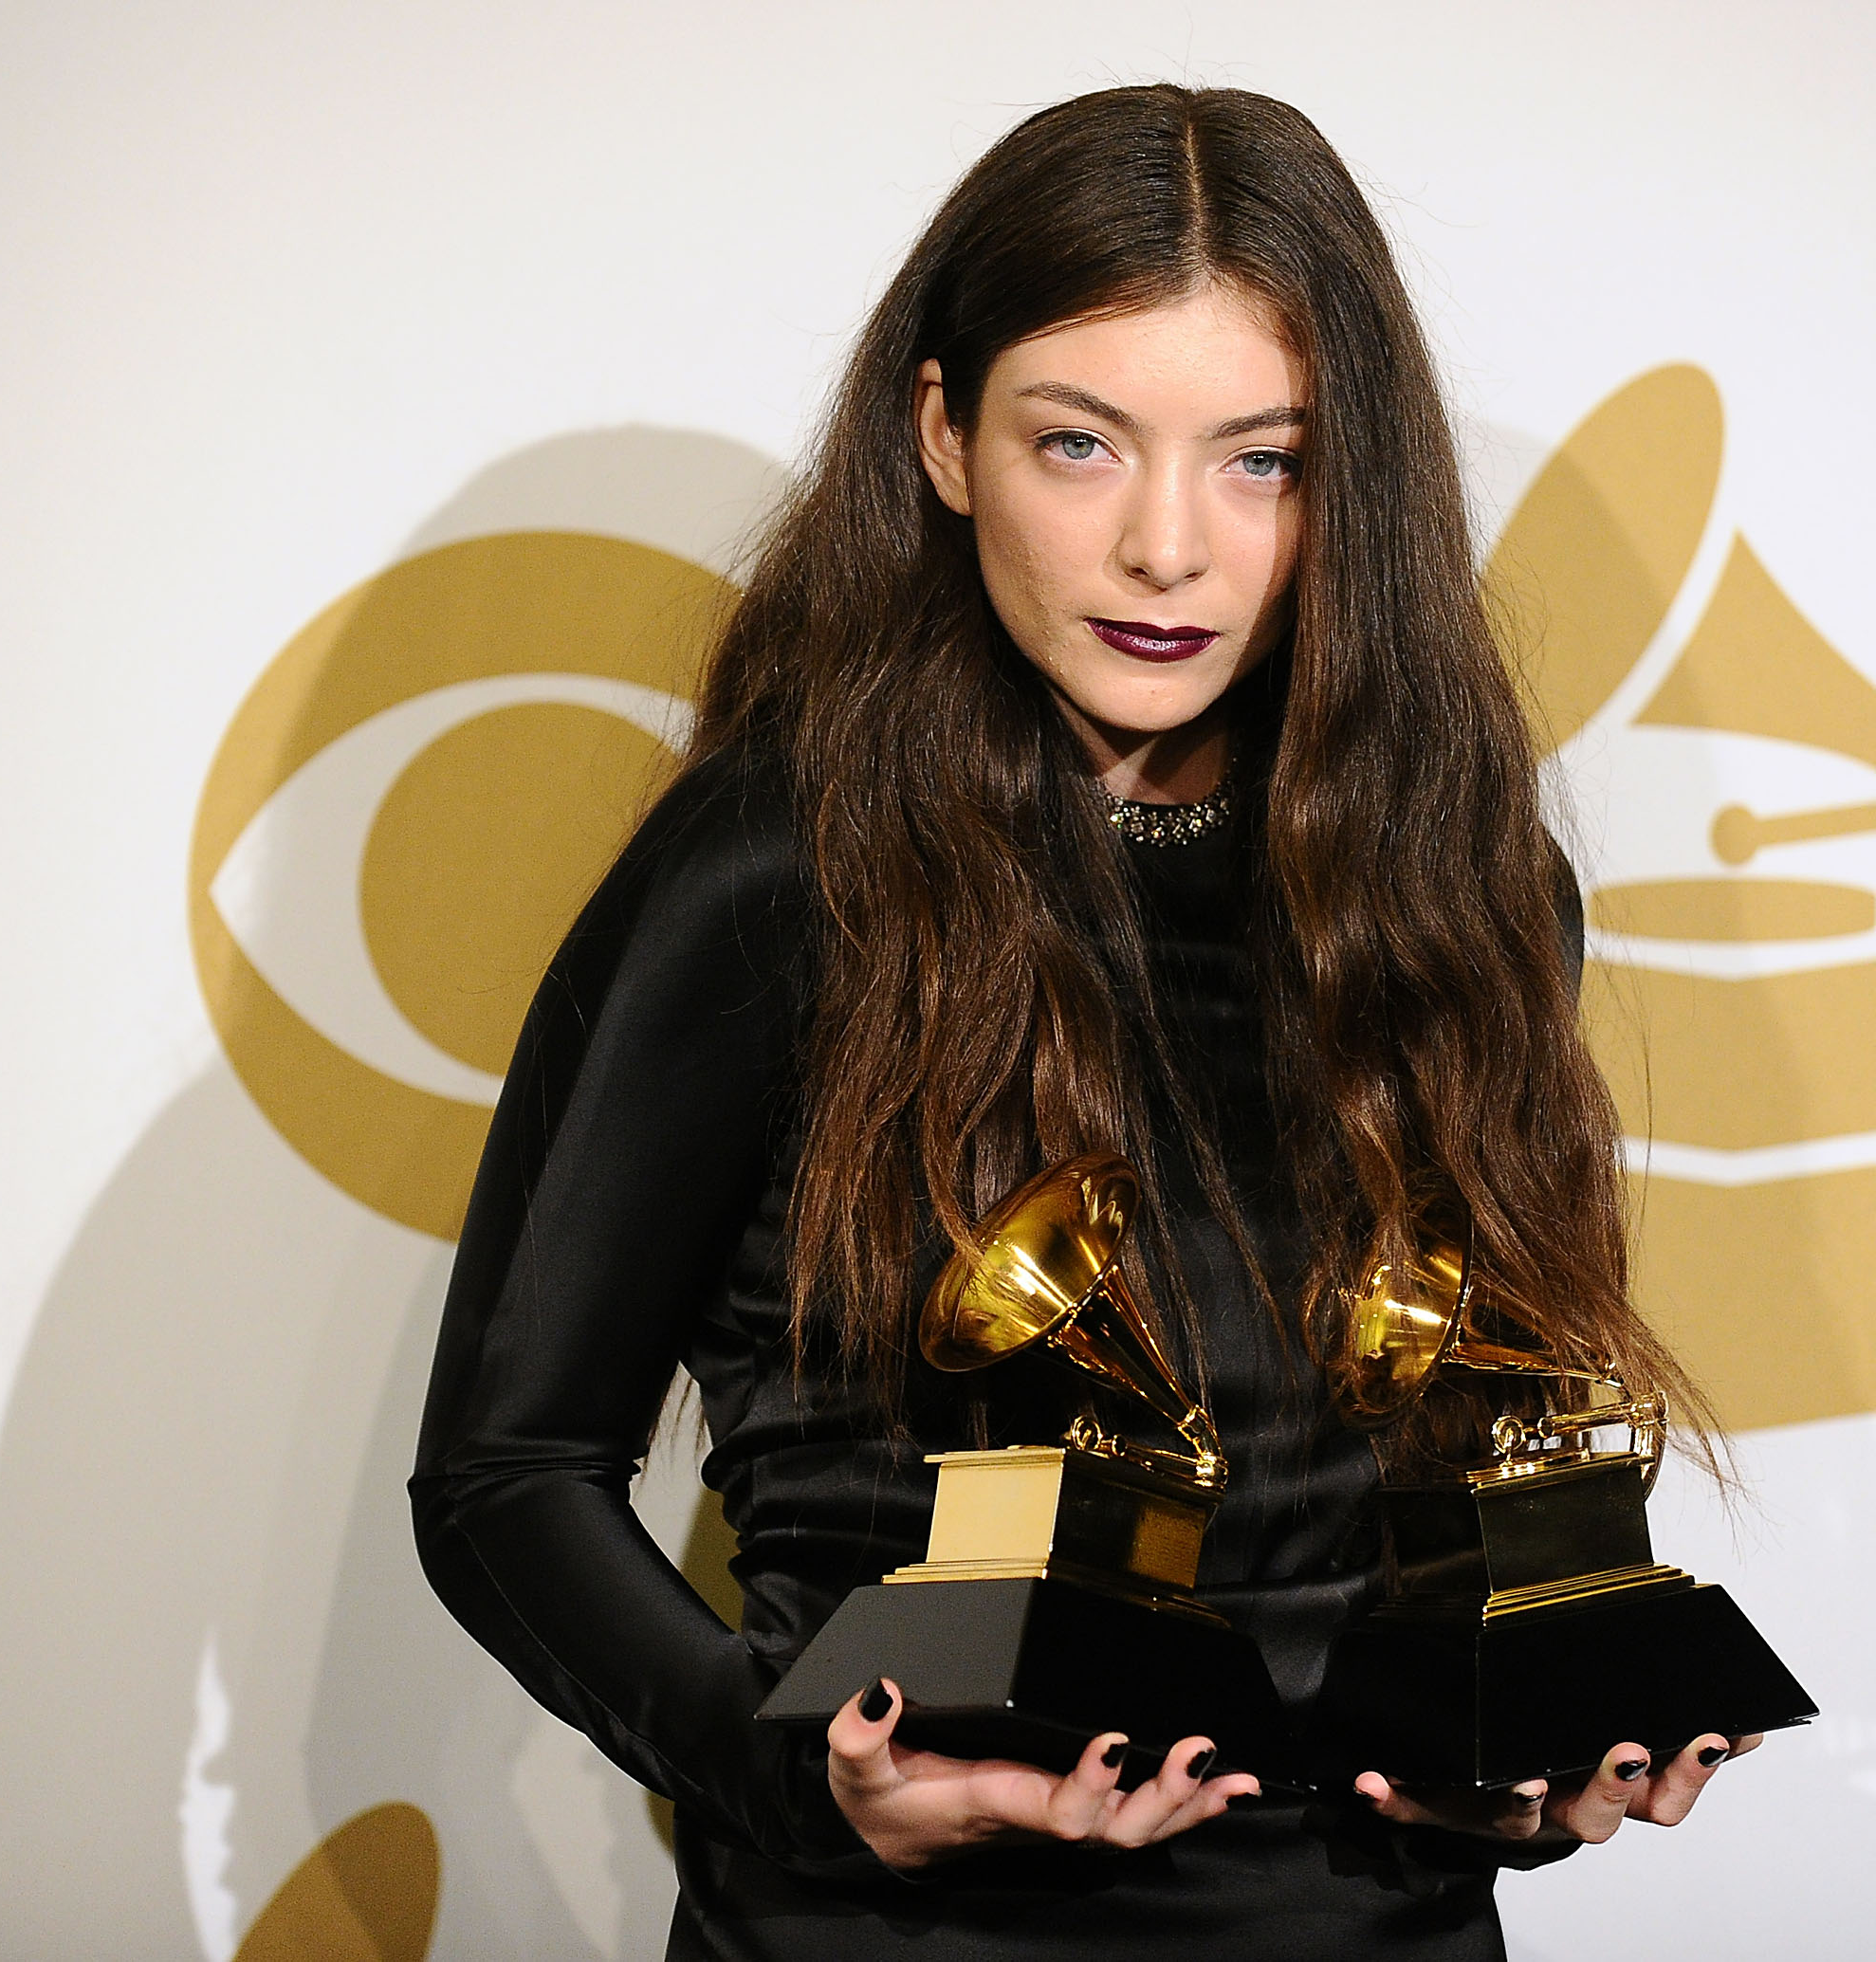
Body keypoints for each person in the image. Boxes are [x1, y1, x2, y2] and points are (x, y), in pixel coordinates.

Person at [413, 83, 1753, 1960]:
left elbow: (1428, 1488)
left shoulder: (1467, 883)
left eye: (1260, 460)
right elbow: (506, 1479)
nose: (1167, 551)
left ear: (1349, 479)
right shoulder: (776, 873)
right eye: (1082, 445)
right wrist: (805, 1775)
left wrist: (1506, 1760)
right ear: (945, 438)